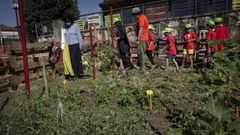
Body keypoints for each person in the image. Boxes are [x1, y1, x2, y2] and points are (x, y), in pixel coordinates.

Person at [61, 16, 84, 81]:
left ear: (71, 20)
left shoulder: (75, 26)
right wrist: (63, 46)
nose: (68, 23)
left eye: (69, 21)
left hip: (75, 45)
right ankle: (72, 74)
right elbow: (63, 37)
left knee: (76, 60)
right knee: (70, 61)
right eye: (67, 21)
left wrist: (80, 46)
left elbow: (79, 36)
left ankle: (77, 74)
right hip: (68, 46)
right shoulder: (64, 27)